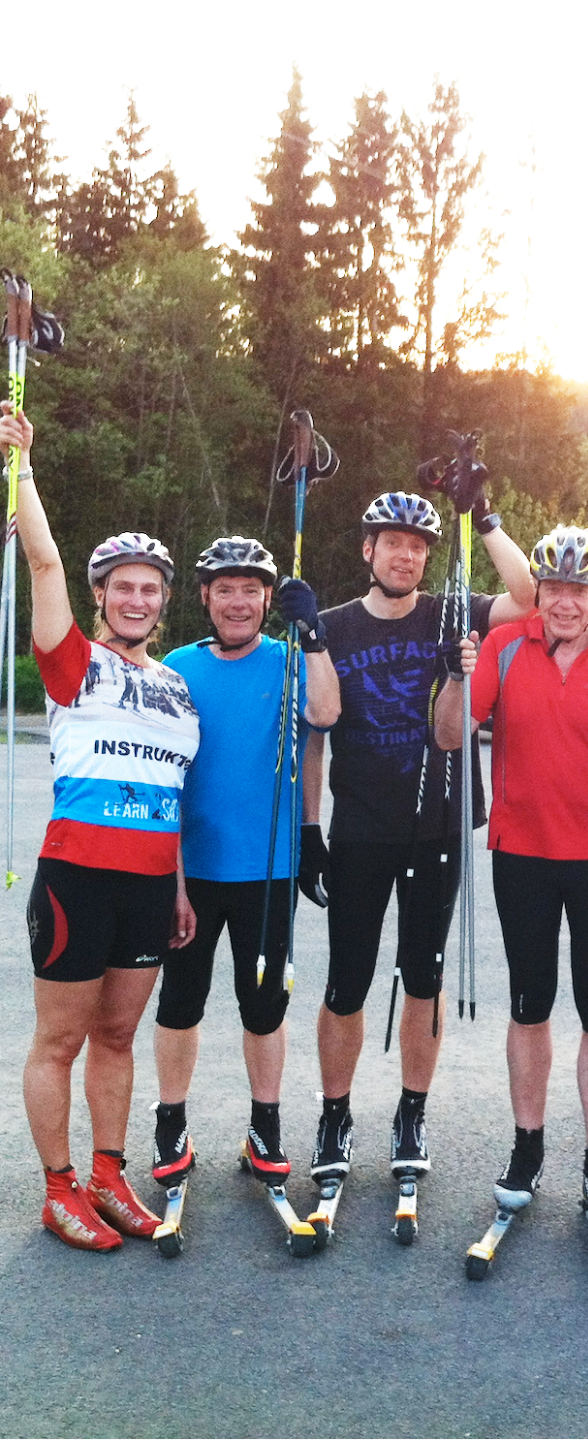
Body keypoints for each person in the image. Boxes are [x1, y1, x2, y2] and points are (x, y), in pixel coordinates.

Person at [6, 404, 200, 1250]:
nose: (136, 598)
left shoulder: (177, 688)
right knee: (60, 1041)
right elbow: (43, 559)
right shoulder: (72, 663)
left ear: (163, 602)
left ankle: (108, 1176)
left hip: (151, 884)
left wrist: (180, 889)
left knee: (118, 1036)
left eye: (149, 588)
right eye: (122, 585)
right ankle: (58, 1190)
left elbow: (173, 795)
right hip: (78, 878)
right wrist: (21, 465)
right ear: (100, 595)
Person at [435, 524, 588, 1233]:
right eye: (554, 588)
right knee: (529, 1005)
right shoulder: (503, 647)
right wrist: (454, 676)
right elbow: (449, 735)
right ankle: (527, 1148)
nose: (565, 602)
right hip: (523, 857)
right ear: (538, 591)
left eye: (579, 589)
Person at [302, 488, 534, 1186]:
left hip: (438, 823)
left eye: (417, 546)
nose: (405, 556)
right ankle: (335, 1116)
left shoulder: (452, 615)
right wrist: (309, 828)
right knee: (347, 980)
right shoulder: (332, 628)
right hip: (361, 827)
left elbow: (528, 598)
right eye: (392, 543)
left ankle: (411, 1114)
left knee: (424, 977)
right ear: (368, 550)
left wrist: (486, 517)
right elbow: (314, 737)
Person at [152, 538, 340, 1188]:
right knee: (180, 1002)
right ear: (205, 597)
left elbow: (326, 715)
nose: (238, 602)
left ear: (267, 600)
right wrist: (171, 877)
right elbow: (162, 776)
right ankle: (171, 1123)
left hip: (270, 870)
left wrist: (313, 635)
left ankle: (265, 1126)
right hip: (192, 871)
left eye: (251, 590)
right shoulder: (177, 667)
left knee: (264, 1007)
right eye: (225, 589)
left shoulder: (293, 661)